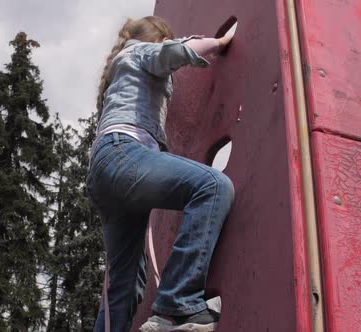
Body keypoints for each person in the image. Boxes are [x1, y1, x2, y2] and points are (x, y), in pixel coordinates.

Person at [86, 16, 237, 332]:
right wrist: (219, 42)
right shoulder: (139, 51)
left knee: (125, 283)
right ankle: (177, 304)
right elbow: (171, 53)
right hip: (122, 154)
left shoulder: (122, 67)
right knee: (212, 186)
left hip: (106, 174)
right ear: (156, 39)